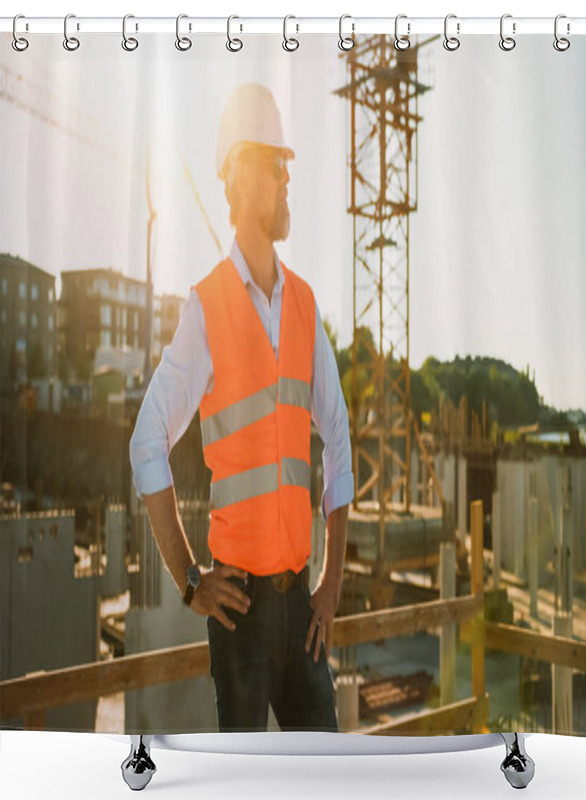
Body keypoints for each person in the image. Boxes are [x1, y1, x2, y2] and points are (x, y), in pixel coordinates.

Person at [129, 82, 353, 732]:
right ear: (243, 175)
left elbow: (337, 437)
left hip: (302, 605)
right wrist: (189, 579)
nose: (288, 180)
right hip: (240, 613)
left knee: (324, 776)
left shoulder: (306, 306)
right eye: (277, 166)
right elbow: (147, 443)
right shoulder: (206, 308)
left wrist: (332, 583)